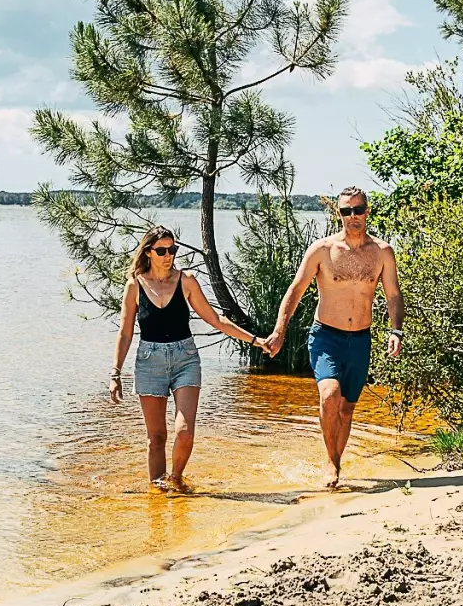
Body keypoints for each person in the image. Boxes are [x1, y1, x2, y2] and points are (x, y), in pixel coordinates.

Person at [109, 225, 269, 490]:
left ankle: (176, 480)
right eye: (161, 251)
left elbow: (215, 319)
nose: (168, 255)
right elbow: (125, 333)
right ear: (148, 252)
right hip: (149, 361)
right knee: (156, 438)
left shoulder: (186, 281)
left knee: (184, 432)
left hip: (185, 359)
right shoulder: (135, 286)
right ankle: (158, 496)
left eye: (172, 249)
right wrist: (115, 373)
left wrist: (255, 340)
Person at [265, 187, 403, 488]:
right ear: (338, 214)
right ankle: (330, 461)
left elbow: (393, 294)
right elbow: (295, 290)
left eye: (358, 210)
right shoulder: (322, 250)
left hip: (360, 339)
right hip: (326, 336)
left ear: (367, 211)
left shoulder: (382, 252)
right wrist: (279, 331)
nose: (352, 216)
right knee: (329, 395)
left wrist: (396, 330)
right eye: (345, 211)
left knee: (347, 408)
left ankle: (336, 463)